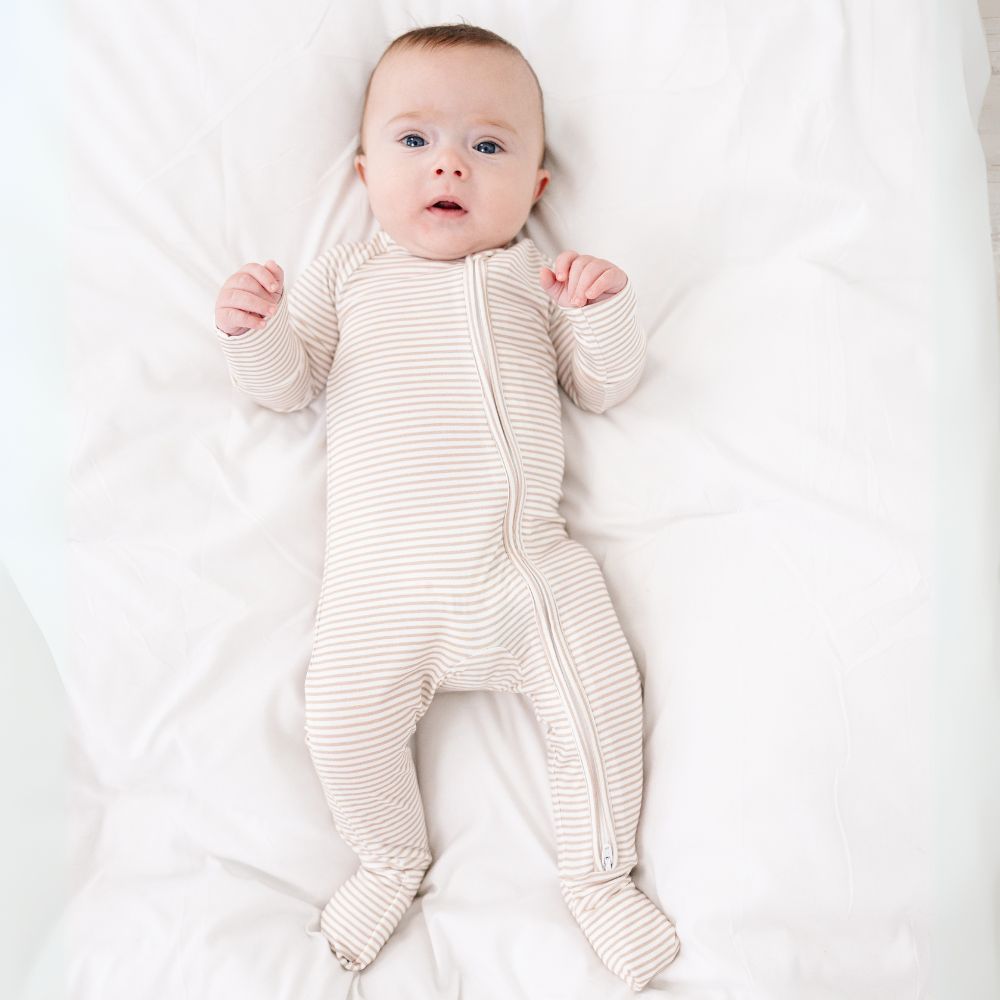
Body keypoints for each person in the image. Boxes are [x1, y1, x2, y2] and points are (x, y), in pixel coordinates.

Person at [212, 21, 680, 993]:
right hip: (380, 593)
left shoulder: (534, 280)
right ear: (364, 171)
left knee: (602, 698)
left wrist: (600, 311)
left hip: (526, 577)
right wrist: (256, 332)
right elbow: (289, 387)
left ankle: (598, 878)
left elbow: (602, 387)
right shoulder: (348, 276)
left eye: (488, 144)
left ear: (537, 187)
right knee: (339, 723)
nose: (449, 165)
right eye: (415, 139)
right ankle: (389, 859)